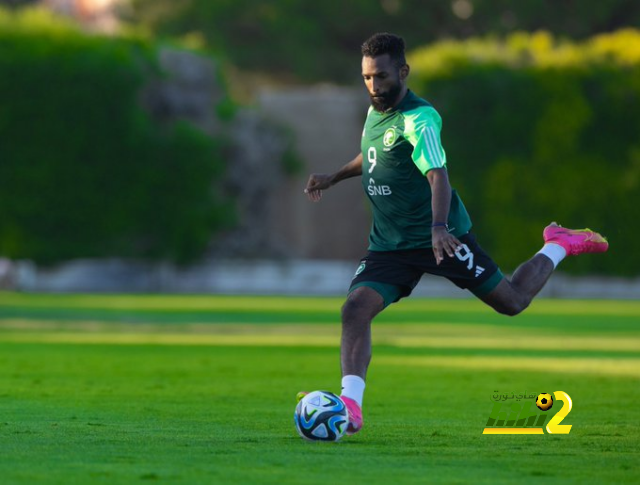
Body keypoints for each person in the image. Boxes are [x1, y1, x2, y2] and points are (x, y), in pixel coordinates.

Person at [300, 32, 609, 436]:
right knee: (355, 309)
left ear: (403, 71)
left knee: (512, 302)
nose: (374, 86)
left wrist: (439, 228)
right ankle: (351, 407)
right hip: (390, 246)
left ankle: (557, 245)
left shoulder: (420, 118)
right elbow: (374, 155)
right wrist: (334, 176)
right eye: (367, 78)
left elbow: (437, 174)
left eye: (381, 77)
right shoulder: (377, 112)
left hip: (441, 240)